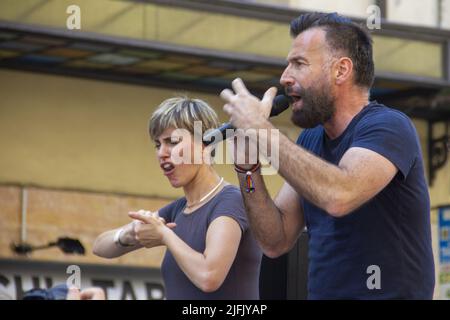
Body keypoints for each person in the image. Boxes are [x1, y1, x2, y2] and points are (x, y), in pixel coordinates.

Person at [220, 12, 435, 299]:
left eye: (299, 63)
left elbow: (339, 194)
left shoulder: (388, 126)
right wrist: (248, 168)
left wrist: (261, 130)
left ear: (341, 70)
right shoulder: (311, 139)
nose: (285, 77)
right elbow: (276, 239)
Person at [93, 97, 262, 299]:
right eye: (157, 145)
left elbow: (209, 276)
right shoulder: (178, 210)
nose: (162, 153)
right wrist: (129, 234)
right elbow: (100, 247)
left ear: (205, 145)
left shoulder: (230, 201)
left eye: (172, 142)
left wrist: (165, 236)